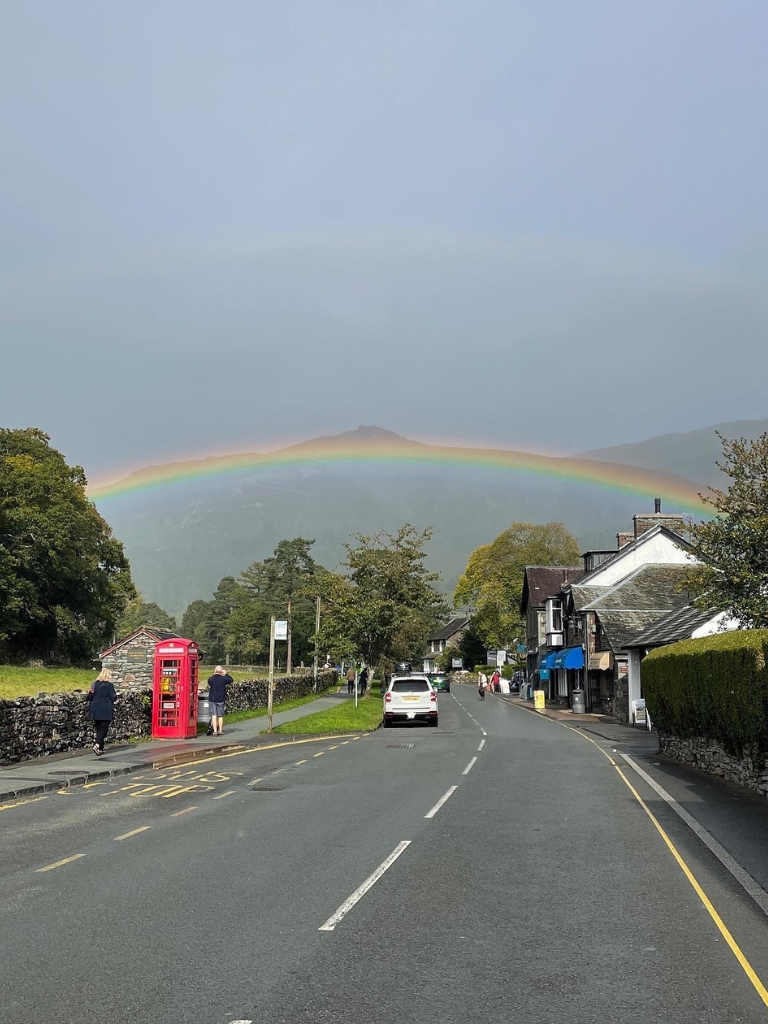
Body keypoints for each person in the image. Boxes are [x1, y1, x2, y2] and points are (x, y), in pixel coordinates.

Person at [87, 668, 117, 755]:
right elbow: (113, 697)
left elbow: (89, 697)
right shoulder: (109, 685)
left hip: (95, 709)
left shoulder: (94, 684)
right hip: (105, 710)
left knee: (98, 728)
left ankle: (100, 747)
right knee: (103, 729)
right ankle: (96, 745)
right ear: (108, 676)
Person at [207, 665, 233, 736]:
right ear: (221, 671)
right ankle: (220, 730)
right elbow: (231, 680)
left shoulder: (211, 679)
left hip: (212, 699)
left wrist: (214, 673)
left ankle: (215, 731)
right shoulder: (223, 679)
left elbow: (209, 681)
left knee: (214, 715)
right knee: (220, 716)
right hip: (221, 699)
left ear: (215, 670)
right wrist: (225, 674)